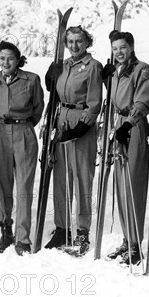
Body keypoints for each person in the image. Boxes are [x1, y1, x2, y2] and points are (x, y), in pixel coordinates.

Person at [44, 26, 102, 255]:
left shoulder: (93, 67)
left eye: (79, 41)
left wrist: (80, 127)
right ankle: (61, 228)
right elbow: (54, 93)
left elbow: (95, 102)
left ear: (87, 42)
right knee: (61, 178)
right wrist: (51, 76)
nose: (74, 46)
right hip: (61, 121)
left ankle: (83, 231)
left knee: (82, 179)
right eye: (70, 41)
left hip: (80, 124)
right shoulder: (65, 65)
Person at [0, 41, 44, 255]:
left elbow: (38, 108)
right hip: (0, 133)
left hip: (24, 131)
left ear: (18, 60)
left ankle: (23, 237)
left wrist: (25, 126)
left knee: (24, 186)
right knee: (1, 183)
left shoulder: (31, 79)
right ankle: (6, 230)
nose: (6, 62)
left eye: (10, 58)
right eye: (2, 58)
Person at [104, 31, 149, 266]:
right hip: (119, 126)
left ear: (131, 47)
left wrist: (129, 123)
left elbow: (143, 102)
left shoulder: (142, 69)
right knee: (121, 186)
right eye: (115, 49)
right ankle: (127, 238)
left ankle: (136, 244)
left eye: (123, 48)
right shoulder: (114, 72)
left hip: (134, 128)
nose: (119, 52)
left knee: (134, 185)